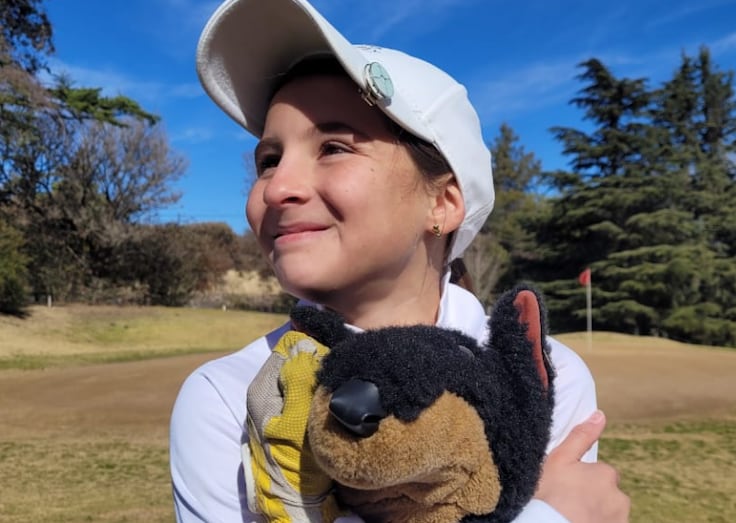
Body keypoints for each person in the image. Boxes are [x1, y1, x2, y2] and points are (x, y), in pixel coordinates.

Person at [170, 0, 630, 522]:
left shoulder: (549, 374)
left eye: (334, 147)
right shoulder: (227, 398)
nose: (277, 188)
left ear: (443, 203)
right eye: (268, 160)